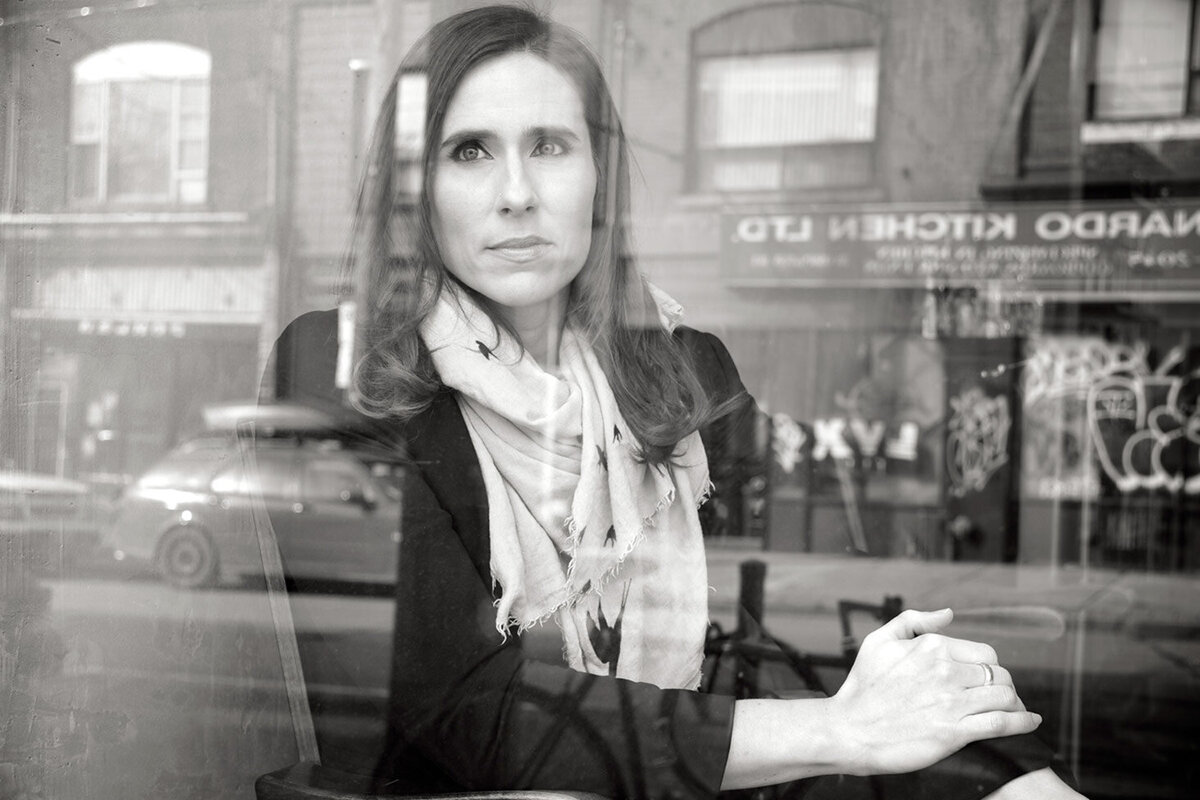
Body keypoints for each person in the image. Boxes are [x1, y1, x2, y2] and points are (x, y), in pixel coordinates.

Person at [273, 5, 1087, 799]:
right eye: (470, 150)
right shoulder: (348, 366)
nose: (516, 193)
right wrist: (840, 731)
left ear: (599, 176)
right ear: (417, 189)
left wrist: (957, 721)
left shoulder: (680, 365)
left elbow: (806, 622)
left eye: (550, 145)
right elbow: (455, 713)